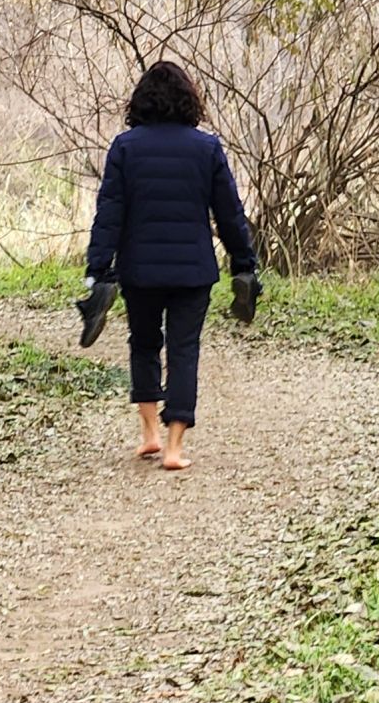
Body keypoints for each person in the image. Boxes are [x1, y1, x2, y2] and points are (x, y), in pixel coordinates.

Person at [83, 60, 259, 471]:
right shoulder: (207, 148)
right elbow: (229, 213)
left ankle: (148, 435)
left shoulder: (125, 148)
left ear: (140, 102)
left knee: (143, 343)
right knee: (184, 350)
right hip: (192, 270)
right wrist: (243, 263)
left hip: (139, 270)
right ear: (189, 101)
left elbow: (108, 214)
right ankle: (175, 446)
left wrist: (99, 269)